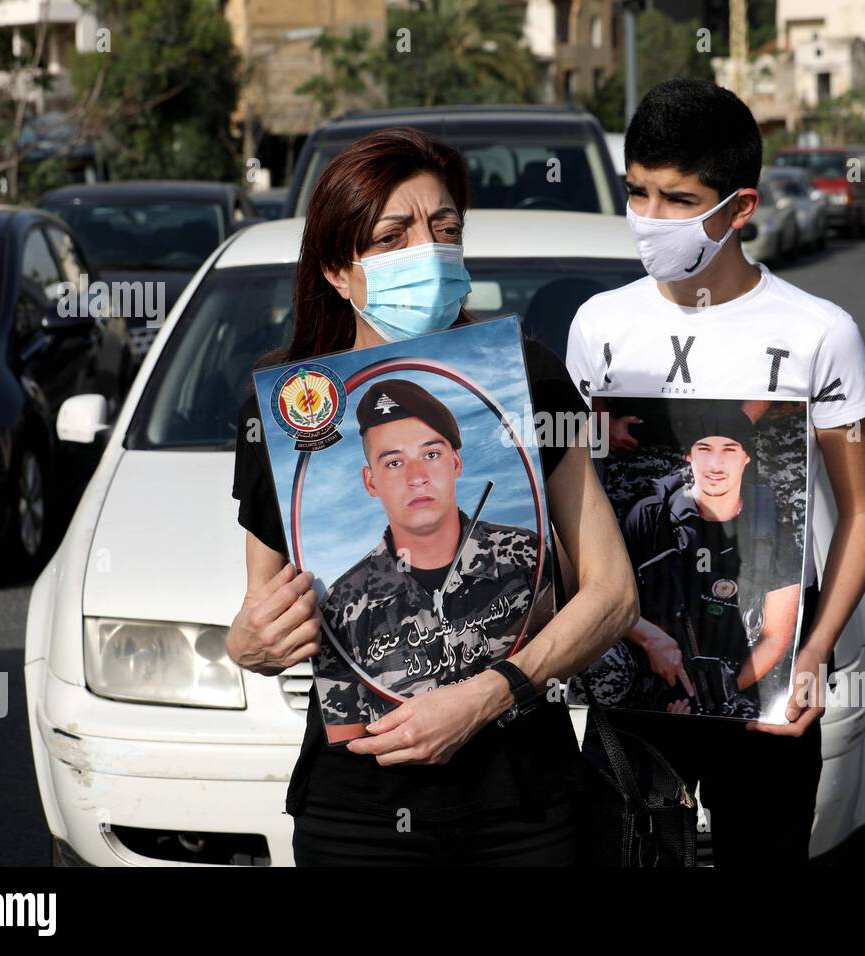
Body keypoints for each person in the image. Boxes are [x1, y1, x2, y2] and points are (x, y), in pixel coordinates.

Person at [228, 128, 638, 866]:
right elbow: (262, 614)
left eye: (444, 229)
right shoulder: (288, 406)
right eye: (393, 236)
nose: (429, 250)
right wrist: (249, 644)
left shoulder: (529, 378)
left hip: (526, 807)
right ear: (337, 269)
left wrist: (490, 694)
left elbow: (612, 595)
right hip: (356, 816)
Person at [565, 78, 865, 867]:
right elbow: (571, 503)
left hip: (767, 676)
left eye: (678, 199)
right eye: (637, 192)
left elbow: (864, 512)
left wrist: (811, 656)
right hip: (629, 666)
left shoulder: (820, 334)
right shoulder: (597, 327)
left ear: (740, 208)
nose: (651, 218)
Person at [315, 378, 547, 740]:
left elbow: (572, 660)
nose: (417, 477)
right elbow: (348, 740)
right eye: (394, 462)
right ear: (370, 482)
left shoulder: (525, 556)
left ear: (456, 463)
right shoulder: (343, 604)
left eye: (431, 454)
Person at [575, 404, 804, 721]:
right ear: (689, 457)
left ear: (746, 457)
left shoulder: (773, 528)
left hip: (733, 673)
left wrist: (713, 694)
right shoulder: (651, 515)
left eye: (729, 450)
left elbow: (776, 637)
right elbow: (600, 590)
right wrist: (648, 637)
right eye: (705, 449)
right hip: (647, 657)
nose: (716, 464)